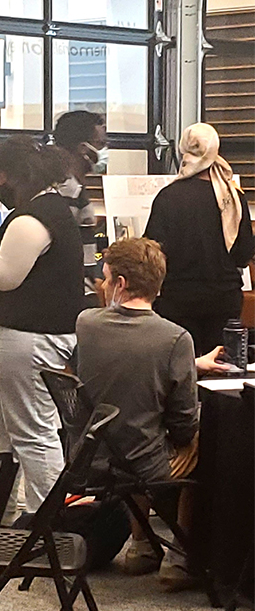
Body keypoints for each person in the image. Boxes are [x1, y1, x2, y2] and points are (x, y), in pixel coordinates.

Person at [0, 136, 83, 520]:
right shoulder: (52, 210)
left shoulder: (31, 218)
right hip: (34, 337)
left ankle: (48, 521)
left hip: (28, 340)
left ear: (13, 174)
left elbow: (4, 276)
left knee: (33, 433)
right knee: (6, 432)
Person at [75, 237, 199, 585]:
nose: (101, 284)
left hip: (91, 457)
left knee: (136, 429)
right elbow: (184, 419)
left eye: (105, 277)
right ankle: (180, 556)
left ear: (121, 284)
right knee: (200, 435)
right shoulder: (175, 339)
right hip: (140, 462)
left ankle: (141, 546)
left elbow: (118, 369)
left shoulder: (86, 323)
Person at [144, 123, 254, 355]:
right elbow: (243, 255)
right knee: (221, 369)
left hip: (177, 300)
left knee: (182, 369)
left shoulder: (168, 197)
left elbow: (152, 251)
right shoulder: (233, 198)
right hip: (225, 300)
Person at [51, 110, 109, 302]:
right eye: (101, 144)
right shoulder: (67, 190)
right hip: (72, 294)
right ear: (84, 148)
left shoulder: (74, 187)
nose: (104, 150)